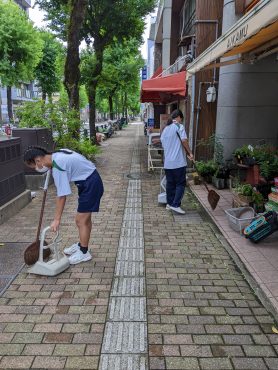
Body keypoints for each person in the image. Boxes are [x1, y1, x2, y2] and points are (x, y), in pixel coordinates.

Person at [23, 146, 104, 265]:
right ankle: (82, 245)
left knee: (80, 220)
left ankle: (84, 252)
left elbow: (62, 196)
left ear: (38, 160)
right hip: (88, 180)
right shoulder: (57, 155)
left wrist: (56, 219)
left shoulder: (58, 167)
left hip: (90, 185)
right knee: (84, 220)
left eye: (34, 166)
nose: (36, 169)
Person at [160, 109, 194, 214]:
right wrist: (190, 153)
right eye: (181, 119)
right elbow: (184, 141)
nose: (181, 121)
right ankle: (176, 204)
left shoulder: (166, 129)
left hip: (168, 163)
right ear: (178, 117)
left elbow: (163, 143)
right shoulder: (179, 126)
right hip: (178, 162)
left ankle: (170, 204)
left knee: (170, 184)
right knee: (180, 184)